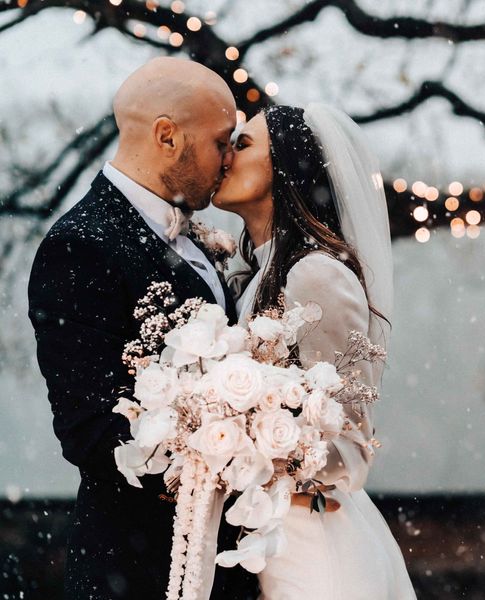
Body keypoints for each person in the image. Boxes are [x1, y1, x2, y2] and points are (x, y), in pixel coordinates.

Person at [28, 57, 258, 600]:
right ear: (167, 136)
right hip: (137, 567)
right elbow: (90, 431)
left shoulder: (202, 236)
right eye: (222, 141)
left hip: (218, 560)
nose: (230, 159)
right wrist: (226, 456)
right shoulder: (79, 246)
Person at [212, 104, 417, 599]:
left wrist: (241, 438)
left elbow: (350, 446)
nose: (226, 156)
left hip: (313, 546)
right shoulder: (250, 274)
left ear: (287, 168)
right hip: (266, 538)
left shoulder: (315, 274)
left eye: (243, 145)